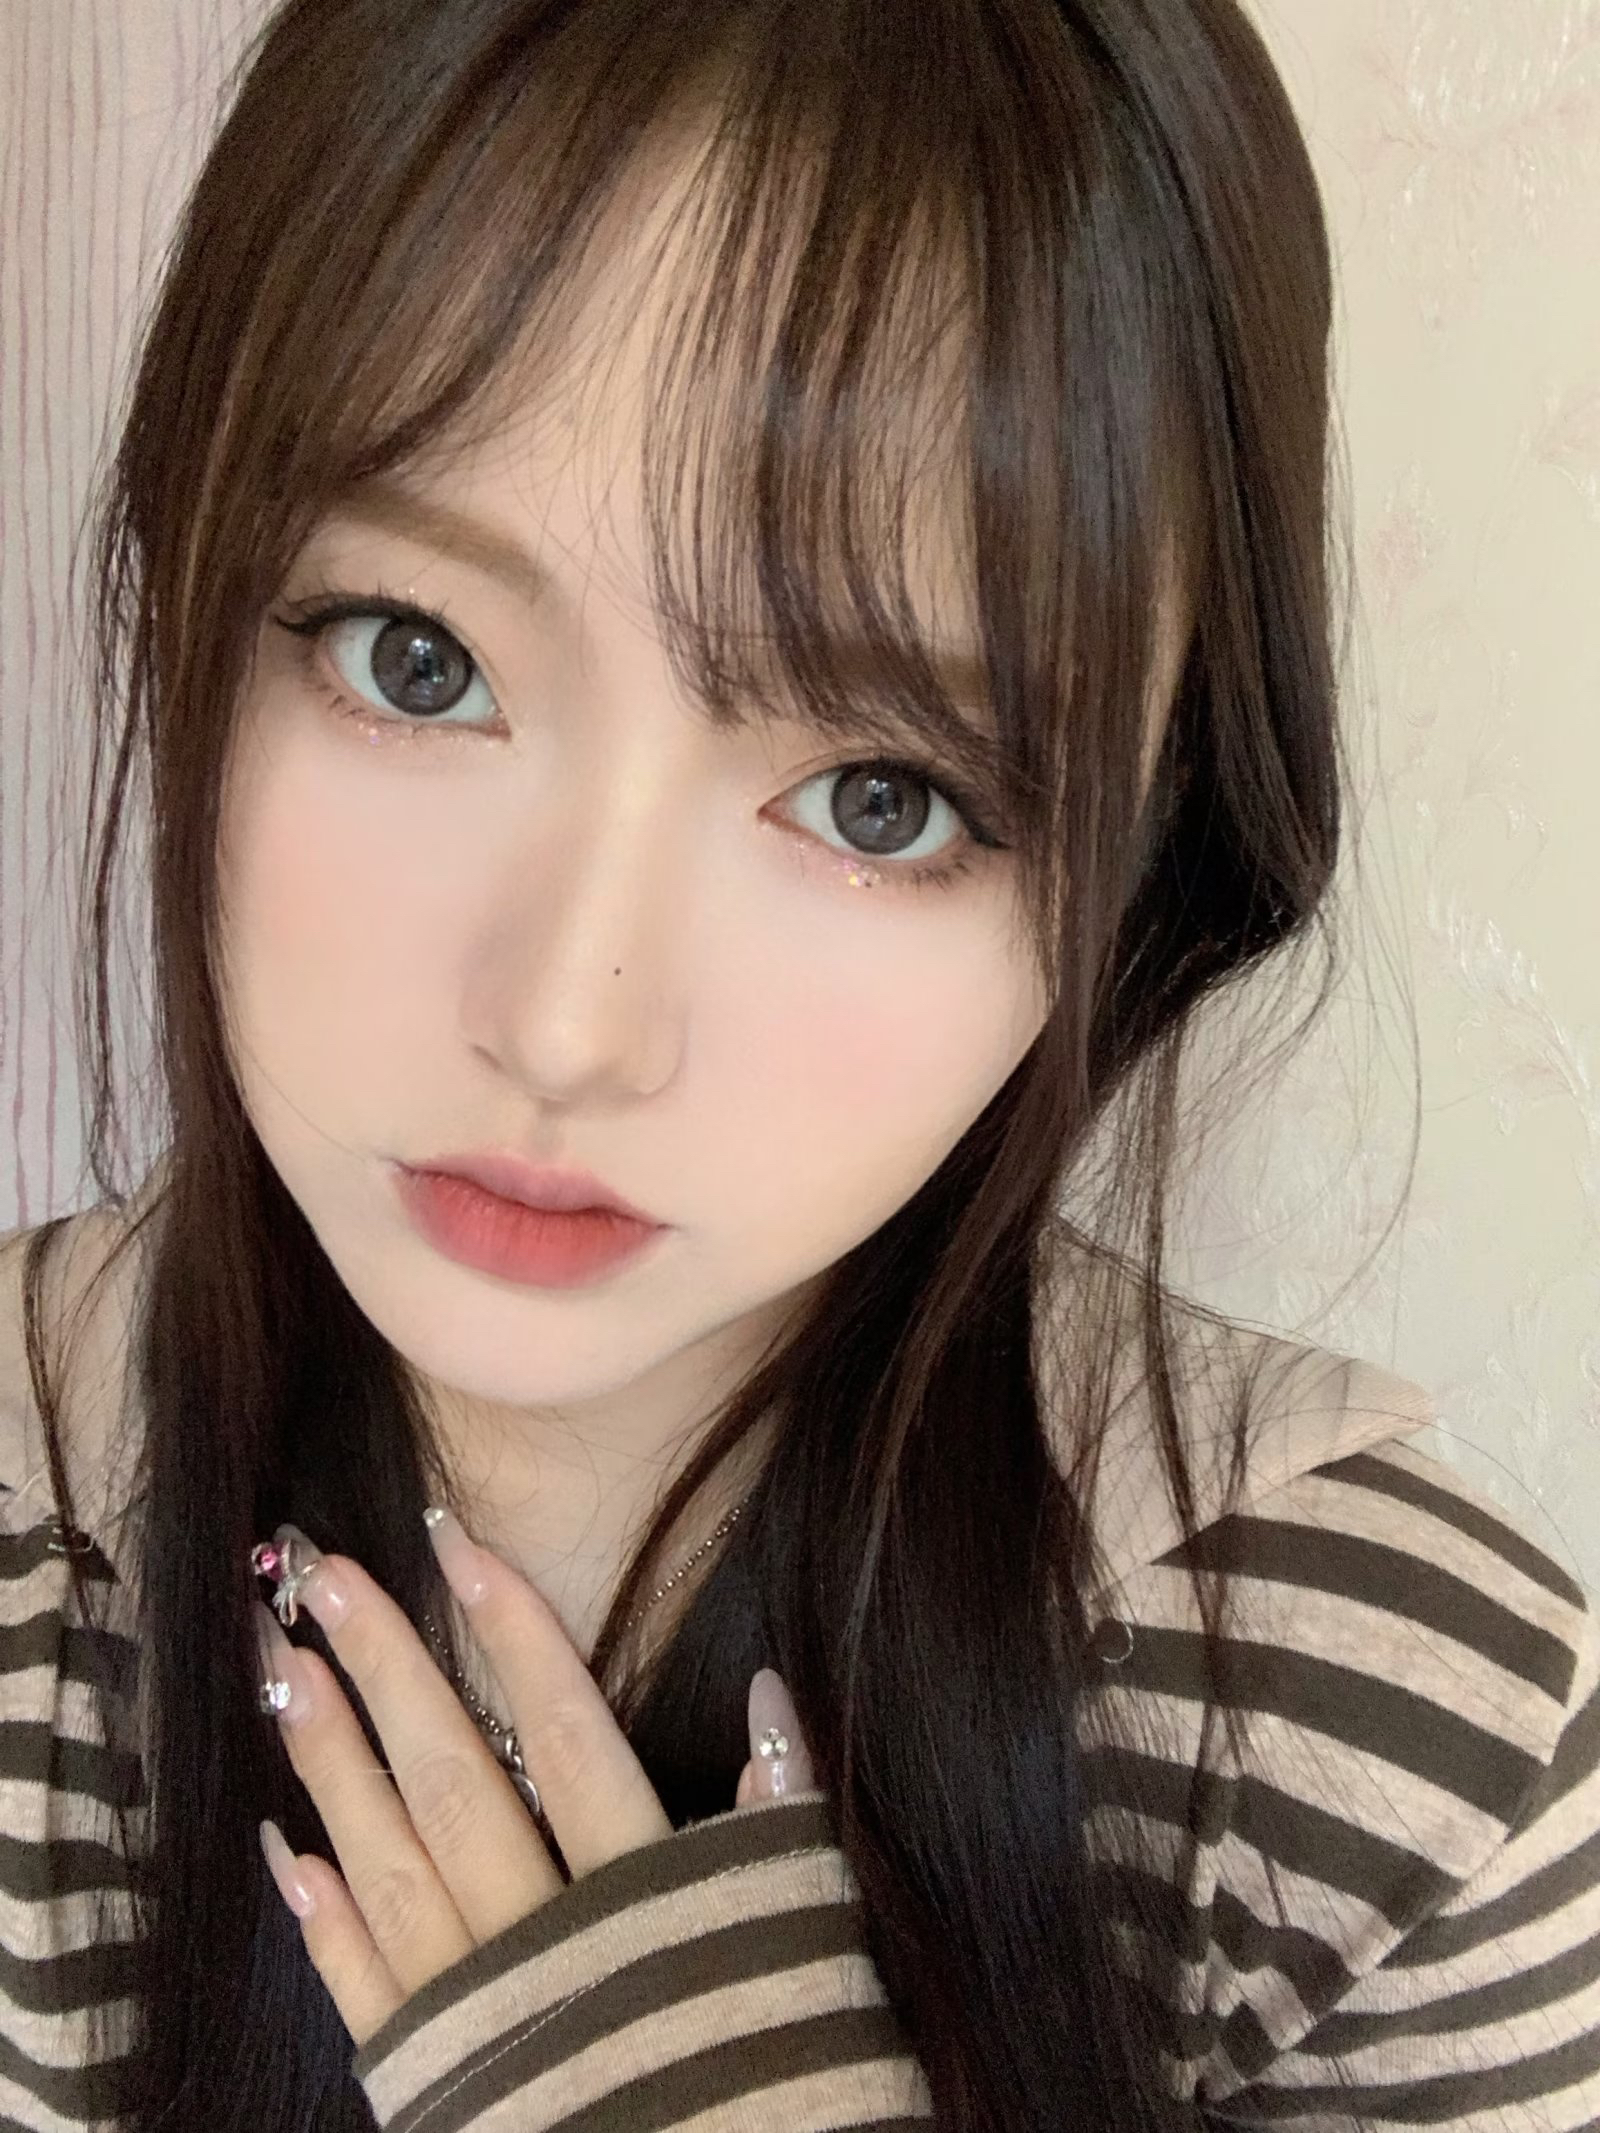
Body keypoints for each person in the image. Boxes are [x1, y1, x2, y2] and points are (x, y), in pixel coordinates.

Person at [1, 0, 1595, 2127]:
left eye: (877, 797)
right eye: (418, 658)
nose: (566, 1021)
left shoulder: (1386, 1747)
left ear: (1147, 866)